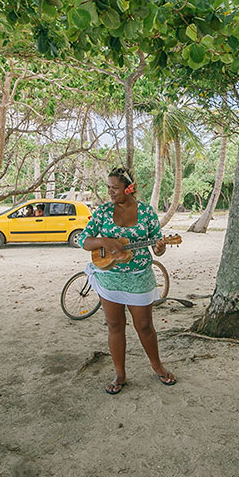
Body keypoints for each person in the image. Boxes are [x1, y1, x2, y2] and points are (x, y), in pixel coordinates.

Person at [77, 166, 175, 395]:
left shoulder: (147, 213)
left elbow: (157, 246)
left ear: (129, 189)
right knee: (114, 325)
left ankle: (157, 367)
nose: (110, 192)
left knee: (144, 326)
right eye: (108, 188)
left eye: (115, 188)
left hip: (139, 278)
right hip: (109, 278)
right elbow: (83, 239)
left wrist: (160, 248)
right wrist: (105, 243)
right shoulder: (102, 212)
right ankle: (120, 374)